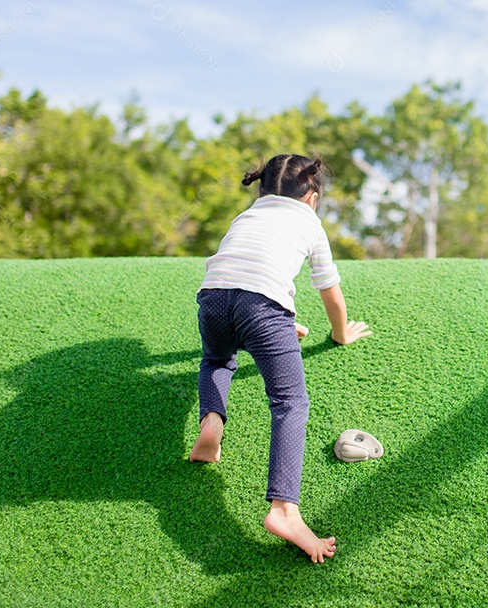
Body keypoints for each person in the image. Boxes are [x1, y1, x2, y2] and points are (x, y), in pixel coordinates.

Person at [188, 154, 371, 563]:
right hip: (264, 310)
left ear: (262, 188)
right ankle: (284, 510)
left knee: (217, 360)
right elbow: (331, 293)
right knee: (290, 402)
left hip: (214, 298)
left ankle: (211, 424)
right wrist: (341, 334)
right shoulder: (310, 223)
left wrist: (280, 324)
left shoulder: (247, 215)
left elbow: (243, 279)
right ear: (312, 197)